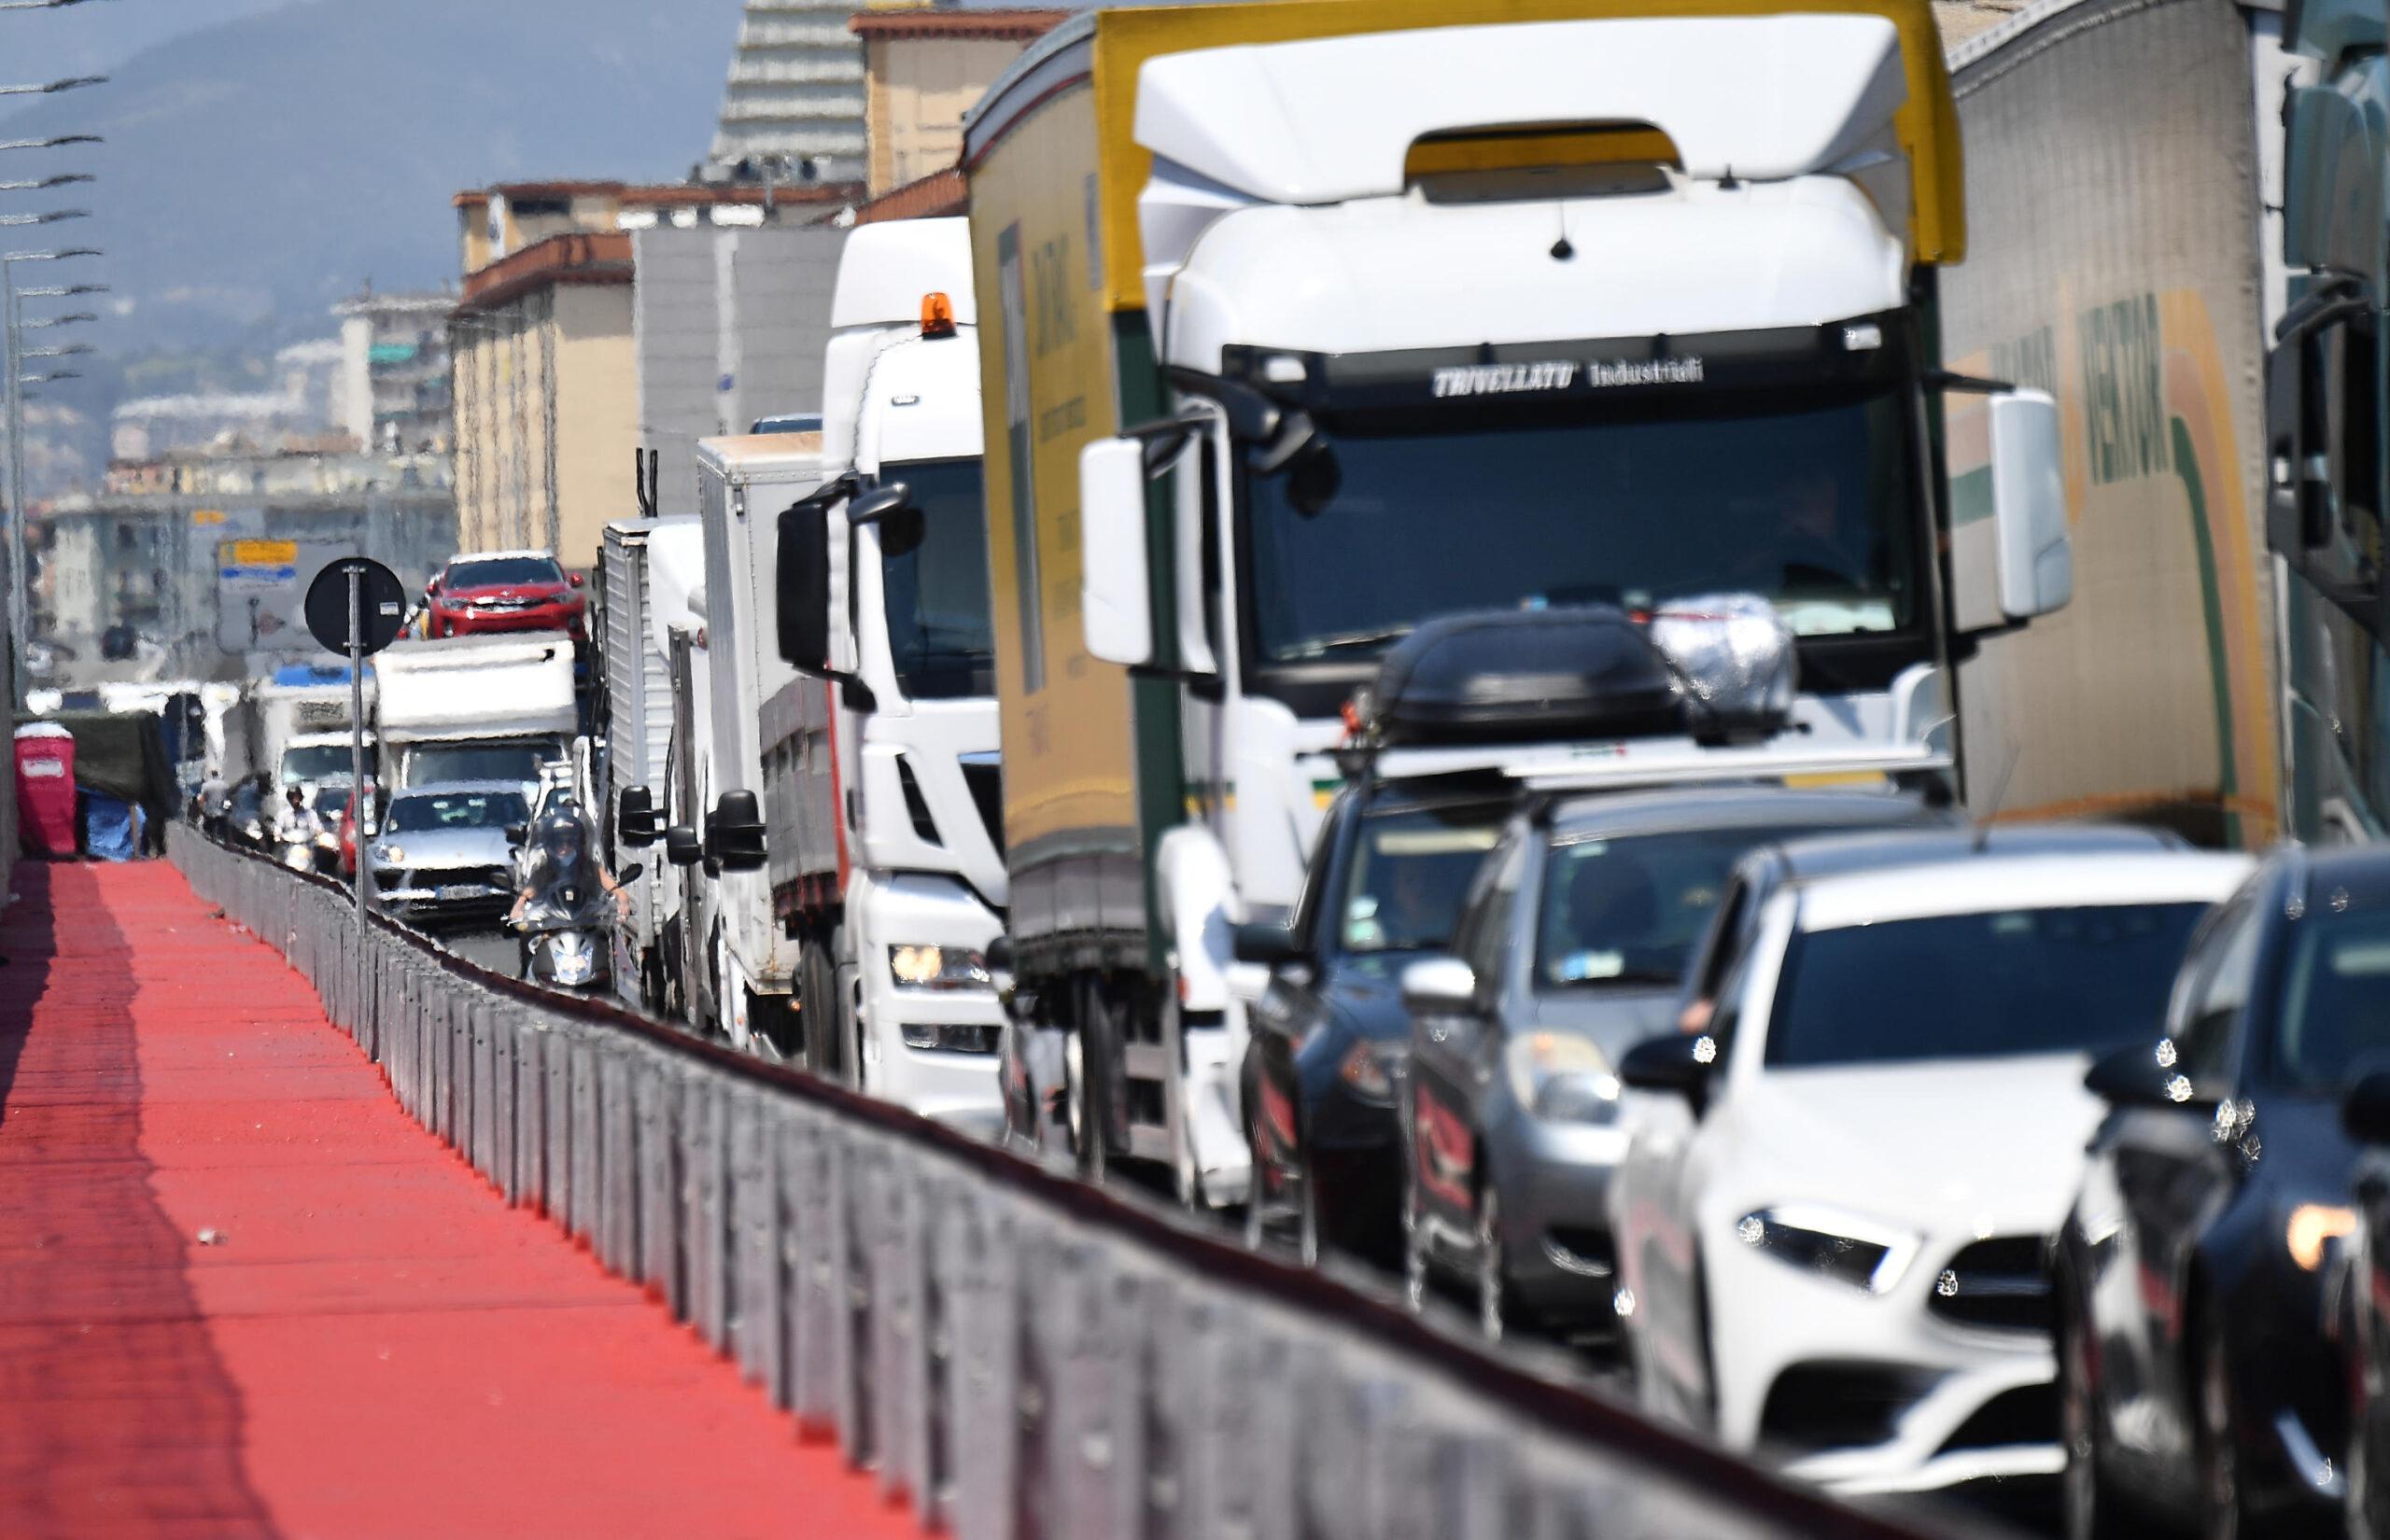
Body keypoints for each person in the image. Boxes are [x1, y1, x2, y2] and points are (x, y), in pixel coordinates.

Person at [508, 801, 630, 929]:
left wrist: (622, 897)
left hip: (588, 921)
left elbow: (609, 883)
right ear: (549, 845)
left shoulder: (590, 866)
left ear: (580, 843)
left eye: (570, 841)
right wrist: (520, 905)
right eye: (559, 842)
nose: (564, 847)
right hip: (552, 924)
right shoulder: (545, 868)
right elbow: (531, 890)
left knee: (612, 938)